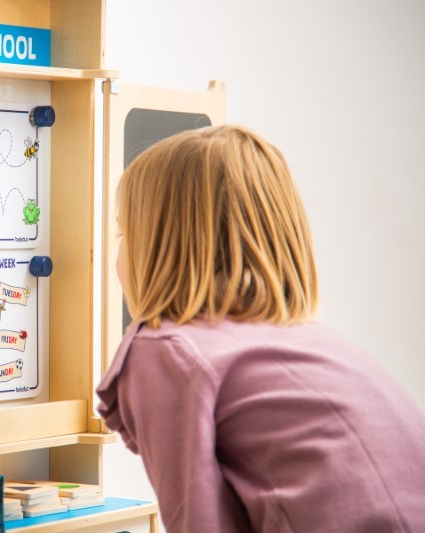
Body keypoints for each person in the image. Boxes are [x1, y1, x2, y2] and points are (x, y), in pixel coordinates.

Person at [96, 125, 425, 532]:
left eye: (123, 232)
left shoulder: (166, 348)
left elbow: (197, 522)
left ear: (159, 247)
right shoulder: (314, 343)